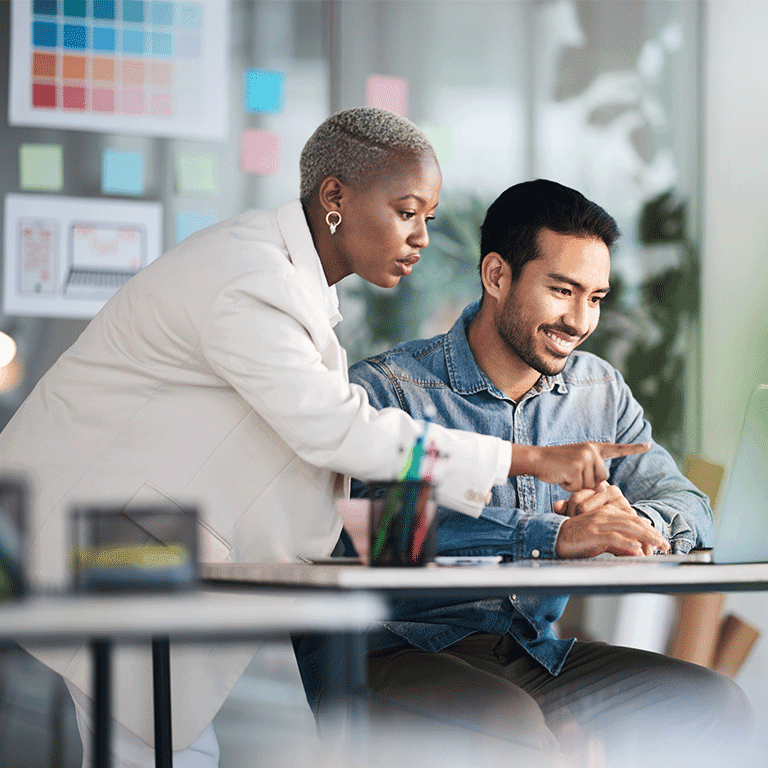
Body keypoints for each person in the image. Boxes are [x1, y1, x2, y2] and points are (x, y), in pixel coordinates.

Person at [0, 113, 644, 767]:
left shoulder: (601, 396)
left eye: (429, 216)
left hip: (153, 554)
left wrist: (635, 523)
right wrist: (532, 487)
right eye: (405, 212)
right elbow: (341, 447)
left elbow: (671, 500)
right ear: (335, 199)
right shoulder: (269, 293)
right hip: (112, 548)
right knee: (161, 748)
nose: (422, 238)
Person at [298, 179, 755, 767]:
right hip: (388, 654)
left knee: (715, 706)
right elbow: (368, 530)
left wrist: (634, 519)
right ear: (496, 277)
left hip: (531, 655)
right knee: (513, 729)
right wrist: (551, 535)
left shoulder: (597, 390)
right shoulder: (389, 390)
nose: (580, 320)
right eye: (562, 291)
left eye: (596, 297)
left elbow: (686, 500)